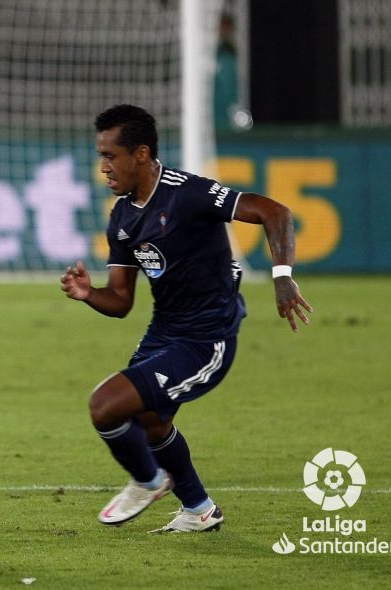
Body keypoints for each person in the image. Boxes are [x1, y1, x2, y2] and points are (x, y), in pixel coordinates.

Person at [60, 104, 312, 533]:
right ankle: (199, 510)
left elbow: (276, 213)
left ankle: (148, 480)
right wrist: (88, 295)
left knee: (105, 407)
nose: (103, 166)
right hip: (164, 331)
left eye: (110, 155)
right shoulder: (122, 217)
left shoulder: (189, 193)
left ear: (140, 154)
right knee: (152, 422)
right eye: (100, 156)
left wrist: (283, 276)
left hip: (207, 337)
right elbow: (120, 301)